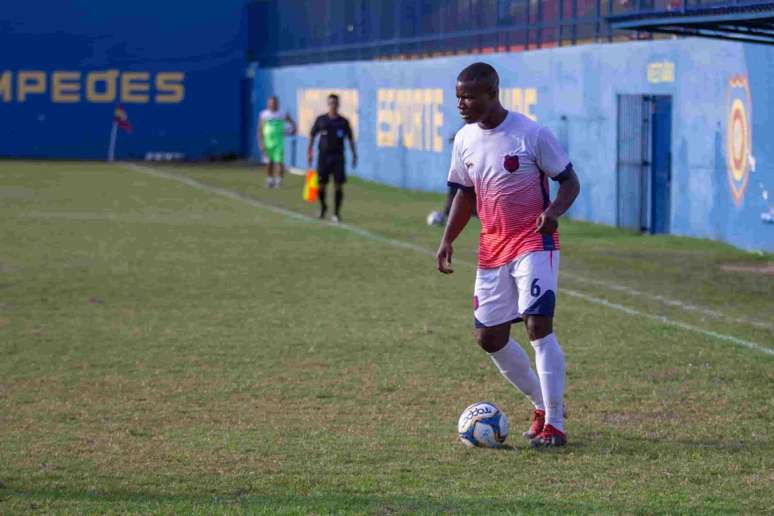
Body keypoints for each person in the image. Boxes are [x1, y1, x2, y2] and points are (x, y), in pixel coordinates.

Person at [435, 63, 580, 448]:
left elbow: (569, 181)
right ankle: (538, 404)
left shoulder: (531, 134)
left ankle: (555, 423)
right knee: (489, 337)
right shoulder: (464, 139)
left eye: (469, 97)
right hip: (492, 247)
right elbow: (465, 193)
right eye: (458, 97)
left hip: (534, 242)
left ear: (492, 94)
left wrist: (552, 213)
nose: (461, 104)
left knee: (537, 326)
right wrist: (448, 238)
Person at [307, 94, 357, 222]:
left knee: (338, 185)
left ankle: (336, 213)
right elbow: (312, 135)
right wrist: (309, 152)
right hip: (323, 156)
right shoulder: (321, 120)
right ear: (328, 104)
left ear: (338, 105)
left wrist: (354, 155)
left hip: (338, 157)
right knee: (321, 185)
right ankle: (323, 207)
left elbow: (350, 139)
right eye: (330, 103)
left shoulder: (343, 122)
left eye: (335, 103)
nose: (333, 105)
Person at [258, 96, 296, 188]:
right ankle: (270, 180)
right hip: (268, 142)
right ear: (268, 104)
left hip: (279, 142)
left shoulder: (282, 113)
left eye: (274, 103)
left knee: (279, 162)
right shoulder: (264, 114)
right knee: (269, 162)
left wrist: (291, 131)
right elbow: (260, 129)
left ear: (277, 103)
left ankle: (279, 181)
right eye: (270, 103)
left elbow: (293, 123)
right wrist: (261, 143)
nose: (272, 104)